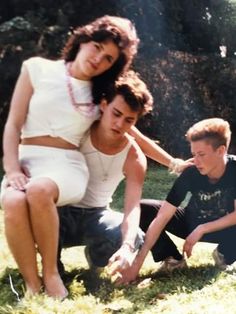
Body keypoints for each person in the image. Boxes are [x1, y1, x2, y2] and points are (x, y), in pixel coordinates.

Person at [0, 15, 139, 299]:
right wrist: (13, 169)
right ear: (84, 39)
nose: (100, 58)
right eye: (98, 47)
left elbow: (128, 126)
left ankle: (52, 275)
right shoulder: (36, 69)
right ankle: (32, 284)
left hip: (66, 164)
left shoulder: (101, 93)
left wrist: (171, 161)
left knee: (39, 190)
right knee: (13, 200)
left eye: (109, 58)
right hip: (26, 159)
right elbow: (13, 124)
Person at [115, 118, 236, 284]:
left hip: (225, 228)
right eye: (194, 154)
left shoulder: (234, 169)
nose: (196, 161)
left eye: (201, 154)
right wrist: (136, 265)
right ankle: (172, 260)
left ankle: (225, 255)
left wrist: (203, 228)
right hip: (191, 222)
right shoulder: (191, 173)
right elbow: (162, 218)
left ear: (221, 151)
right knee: (144, 209)